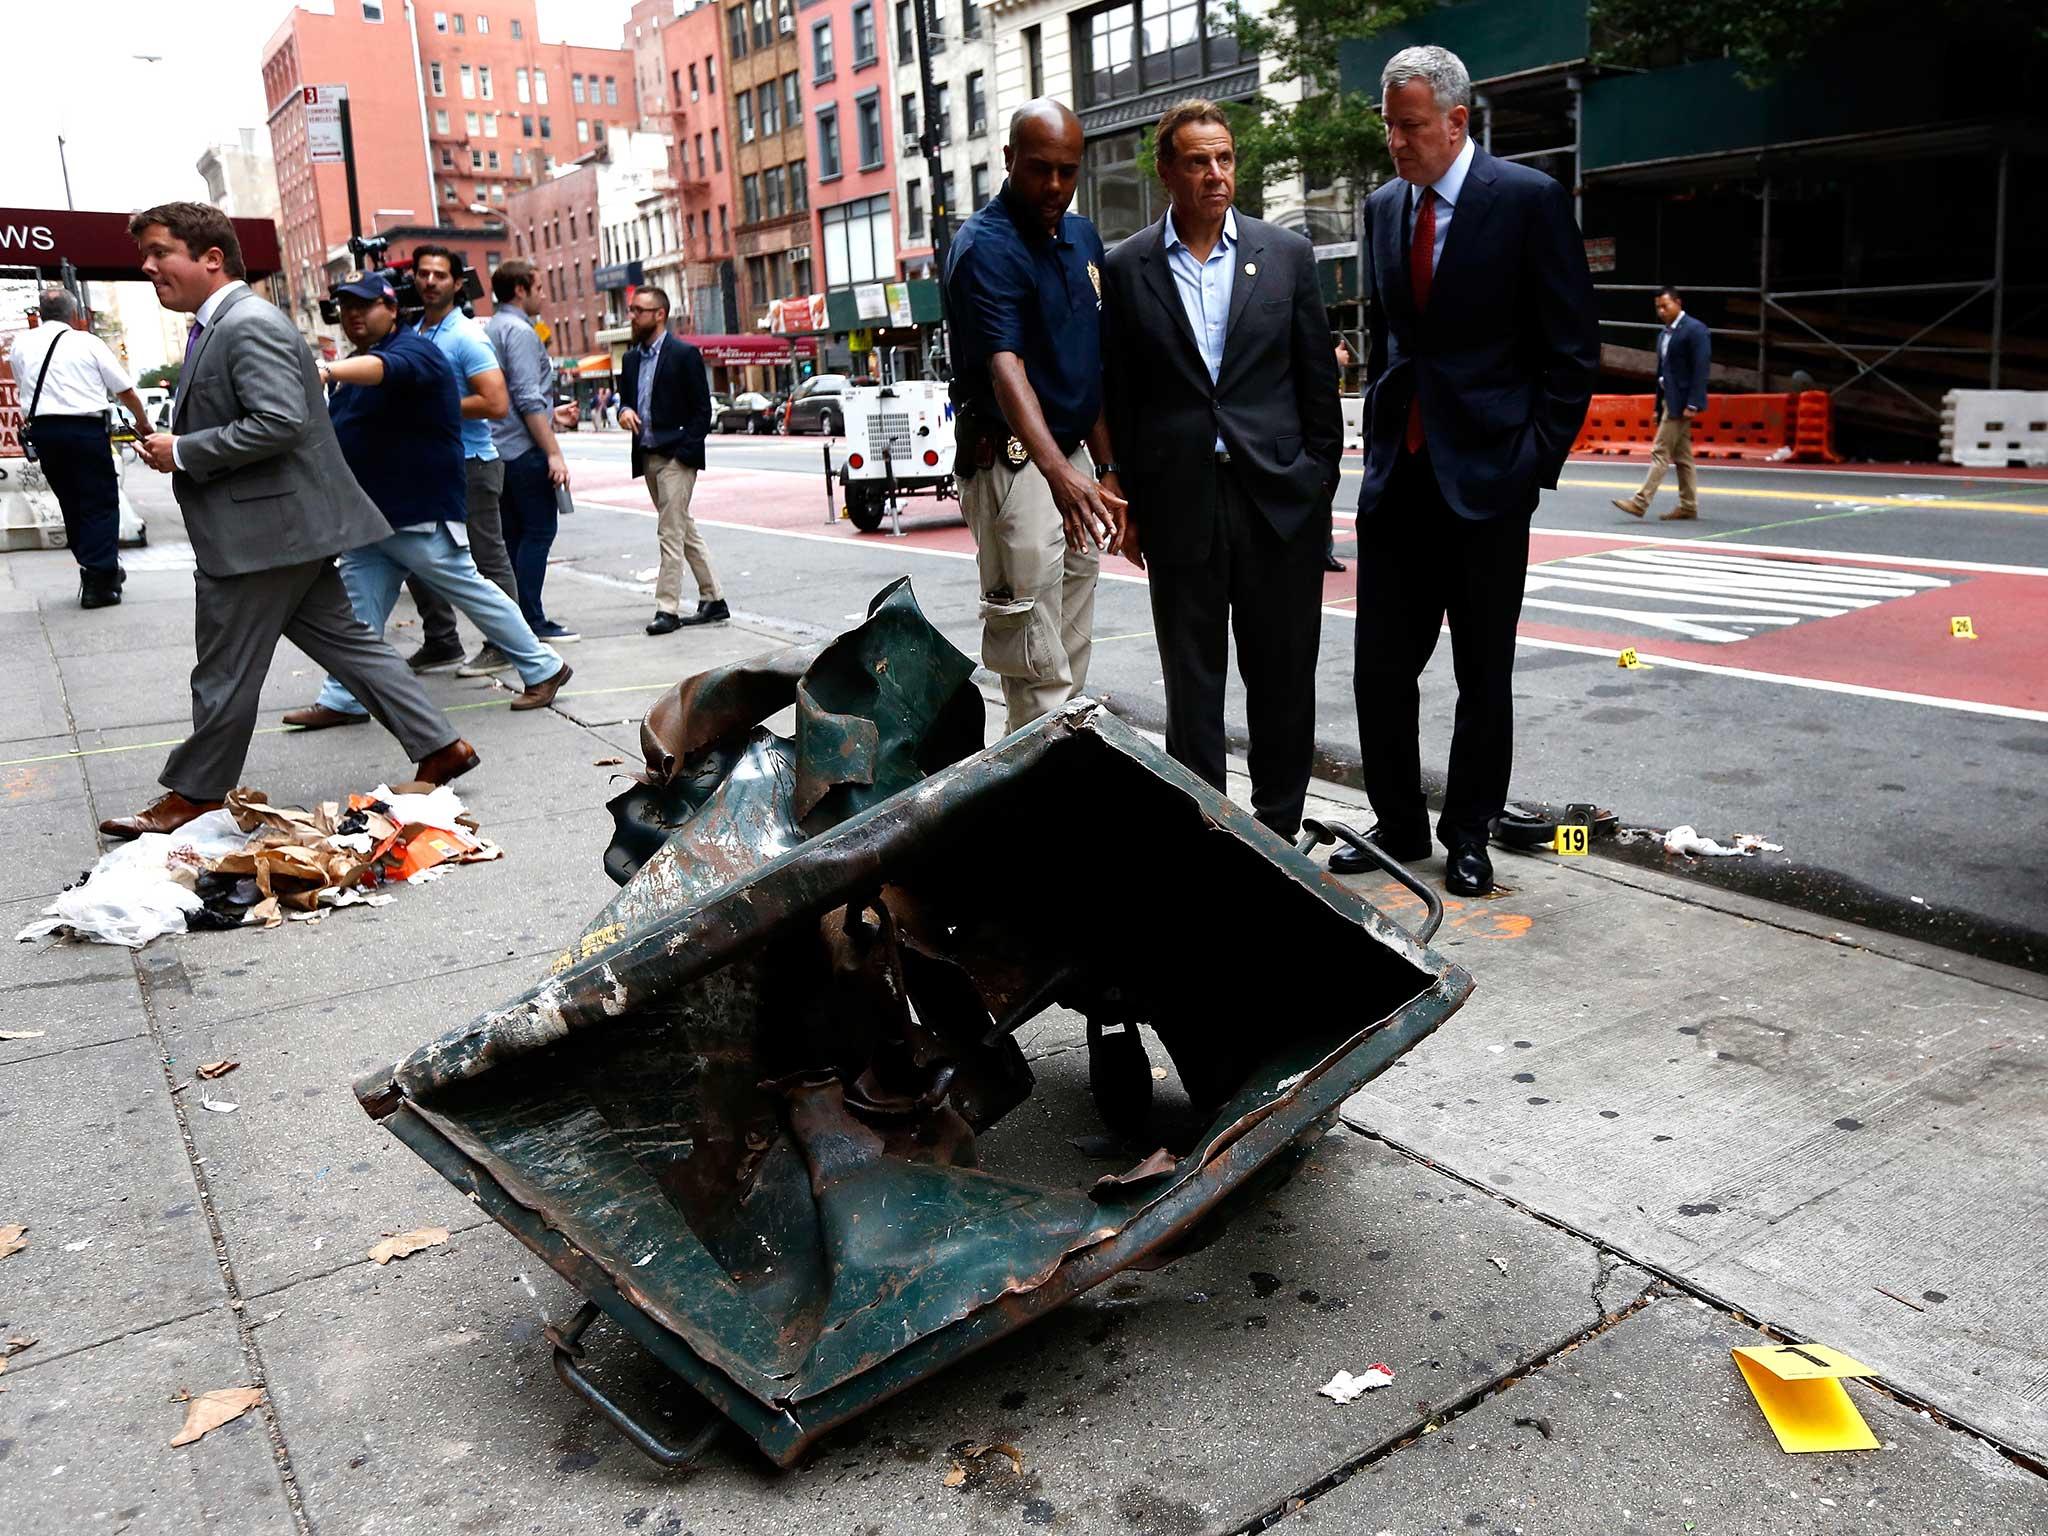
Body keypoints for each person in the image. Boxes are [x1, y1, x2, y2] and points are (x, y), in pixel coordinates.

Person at [104, 201, 474, 839]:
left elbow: (279, 422)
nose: (148, 267)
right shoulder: (222, 325)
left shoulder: (247, 324)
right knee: (352, 646)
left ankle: (195, 791)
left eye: (160, 253)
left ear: (211, 258)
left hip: (261, 537)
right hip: (282, 528)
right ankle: (441, 747)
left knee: (223, 669)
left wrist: (184, 451)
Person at [1332, 46, 1597, 896]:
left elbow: (1571, 353)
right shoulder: (1381, 208)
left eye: (1409, 128)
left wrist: (1531, 463)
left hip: (1489, 480)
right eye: (1388, 127)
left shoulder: (1526, 202)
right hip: (1400, 477)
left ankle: (1469, 831)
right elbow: (1395, 344)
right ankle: (1400, 824)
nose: (1396, 144)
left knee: (1483, 671)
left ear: (1456, 121)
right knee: (1380, 667)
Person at [1101, 100, 1341, 840]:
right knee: (1193, 687)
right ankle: (1206, 834)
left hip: (1277, 502)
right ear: (1167, 171)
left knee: (1281, 679)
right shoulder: (1127, 266)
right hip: (1180, 506)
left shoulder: (1286, 256)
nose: (1216, 174)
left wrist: (1313, 481)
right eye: (1199, 161)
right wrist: (1127, 495)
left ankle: (1279, 830)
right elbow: (1123, 392)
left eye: (1226, 158)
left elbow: (1315, 386)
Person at [279, 271, 571, 730]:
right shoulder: (364, 363)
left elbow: (388, 371)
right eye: (347, 307)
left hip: (417, 509)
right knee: (359, 611)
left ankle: (544, 666)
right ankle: (345, 698)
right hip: (372, 516)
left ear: (392, 309)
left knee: (468, 586)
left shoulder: (413, 351)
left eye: (365, 305)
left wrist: (326, 370)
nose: (354, 314)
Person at [942, 99, 1124, 733]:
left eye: (1067, 171)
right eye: (1039, 169)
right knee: (1031, 655)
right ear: (1008, 159)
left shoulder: (1083, 238)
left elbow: (1088, 365)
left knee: (1070, 646)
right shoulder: (984, 247)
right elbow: (1004, 367)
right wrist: (1059, 474)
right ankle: (1032, 811)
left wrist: (1103, 468)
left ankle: (1055, 784)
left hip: (1070, 461)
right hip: (1017, 464)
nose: (1054, 186)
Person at [397, 246, 517, 673]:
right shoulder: (415, 331)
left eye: (440, 275)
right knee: (412, 552)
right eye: (423, 274)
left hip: (472, 462)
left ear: (456, 284)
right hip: (428, 464)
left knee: (487, 557)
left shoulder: (466, 336)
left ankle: (504, 645)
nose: (430, 282)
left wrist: (436, 405)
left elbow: (496, 402)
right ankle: (441, 641)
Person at [6, 288, 153, 607]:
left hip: (45, 431)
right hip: (85, 429)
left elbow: (23, 387)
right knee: (99, 500)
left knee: (70, 501)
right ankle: (100, 580)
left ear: (41, 313)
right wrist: (143, 423)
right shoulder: (87, 342)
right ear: (74, 315)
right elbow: (124, 389)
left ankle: (96, 569)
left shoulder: (21, 345)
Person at [483, 259, 579, 654]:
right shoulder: (519, 331)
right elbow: (526, 396)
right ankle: (530, 619)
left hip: (501, 446)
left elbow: (511, 398)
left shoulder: (493, 327)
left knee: (513, 537)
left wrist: (551, 416)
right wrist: (553, 451)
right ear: (520, 290)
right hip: (522, 451)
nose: (543, 294)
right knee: (537, 532)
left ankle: (515, 620)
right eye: (538, 287)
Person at [618, 287, 725, 634]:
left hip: (676, 458)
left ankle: (668, 608)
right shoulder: (631, 359)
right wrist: (624, 411)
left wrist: (684, 452)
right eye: (631, 310)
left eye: (639, 311)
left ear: (660, 314)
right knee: (682, 528)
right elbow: (626, 401)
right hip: (647, 455)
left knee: (669, 531)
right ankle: (714, 599)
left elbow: (701, 410)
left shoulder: (683, 354)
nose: (632, 316)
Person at [1613, 285, 1711, 522]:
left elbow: (1701, 369)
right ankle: (1689, 505)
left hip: (1682, 403)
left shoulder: (1696, 330)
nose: (1661, 311)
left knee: (1660, 451)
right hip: (1669, 400)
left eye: (1665, 306)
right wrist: (1658, 407)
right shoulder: (1664, 334)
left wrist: (1694, 403)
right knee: (1683, 457)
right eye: (1658, 307)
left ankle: (1640, 501)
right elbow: (1662, 373)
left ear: (1679, 303)